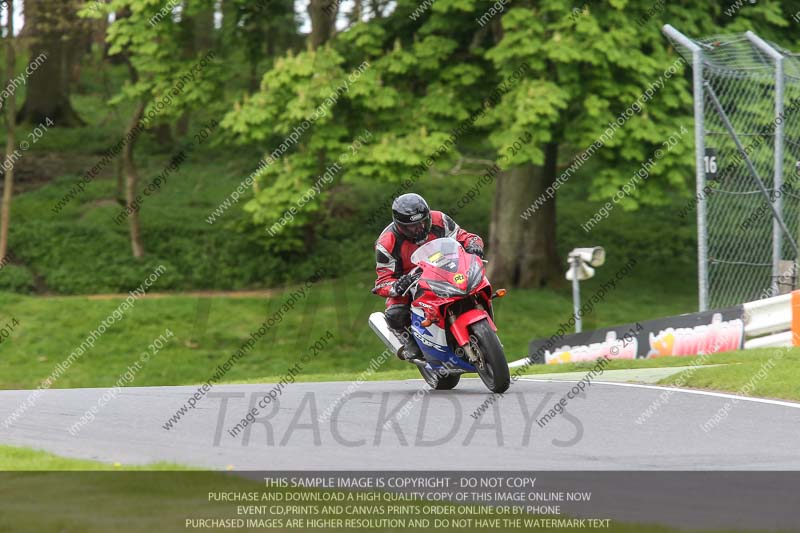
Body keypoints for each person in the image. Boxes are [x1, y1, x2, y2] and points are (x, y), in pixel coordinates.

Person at [372, 193, 484, 360]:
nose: (420, 228)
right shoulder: (387, 243)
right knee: (396, 312)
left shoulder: (440, 220)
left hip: (446, 268)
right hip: (410, 280)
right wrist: (396, 286)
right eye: (412, 227)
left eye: (423, 222)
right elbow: (382, 281)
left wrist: (473, 244)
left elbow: (464, 237)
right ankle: (406, 339)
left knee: (475, 284)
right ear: (400, 226)